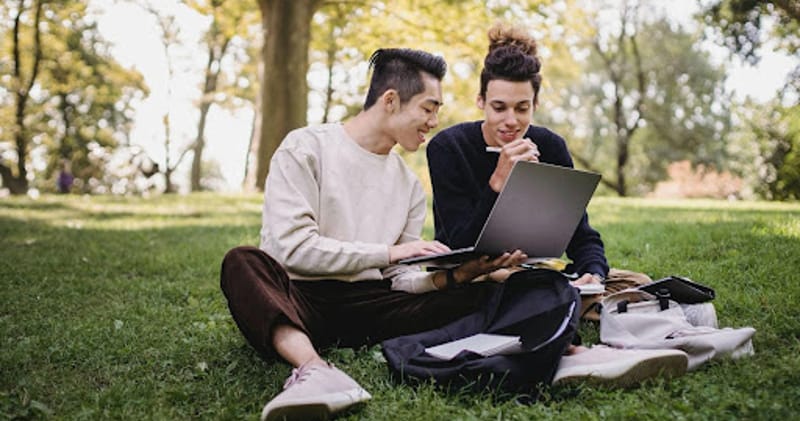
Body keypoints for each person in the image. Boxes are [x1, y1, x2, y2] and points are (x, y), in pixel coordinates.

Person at [220, 48, 527, 421]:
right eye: (428, 108)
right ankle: (315, 370)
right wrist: (390, 253)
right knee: (243, 262)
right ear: (391, 100)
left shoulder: (409, 186)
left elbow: (400, 281)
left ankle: (551, 346)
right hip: (298, 295)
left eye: (437, 111)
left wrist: (458, 275)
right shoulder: (305, 148)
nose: (433, 121)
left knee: (481, 291)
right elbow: (292, 250)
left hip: (372, 305)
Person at [426, 24, 689, 386]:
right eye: (499, 107)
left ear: (536, 104)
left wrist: (594, 275)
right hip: (481, 277)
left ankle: (583, 305)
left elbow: (582, 236)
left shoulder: (549, 146)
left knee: (635, 282)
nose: (511, 121)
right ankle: (579, 328)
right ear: (480, 101)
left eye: (522, 108)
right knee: (515, 286)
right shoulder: (448, 148)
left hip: (546, 273)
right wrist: (499, 182)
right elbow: (458, 243)